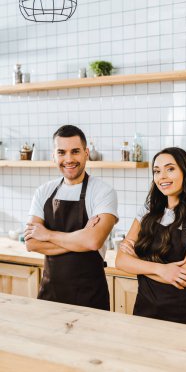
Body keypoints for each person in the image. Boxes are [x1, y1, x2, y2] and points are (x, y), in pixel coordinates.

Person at [24, 125, 118, 310]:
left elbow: (92, 241)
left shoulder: (103, 192)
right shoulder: (44, 192)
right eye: (62, 152)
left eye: (75, 151)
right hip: (50, 296)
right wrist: (80, 238)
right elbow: (31, 243)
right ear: (54, 156)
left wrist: (48, 235)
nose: (68, 159)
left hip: (90, 299)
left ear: (86, 153)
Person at [115, 147, 186, 325]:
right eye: (157, 171)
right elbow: (121, 261)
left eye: (170, 169)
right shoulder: (146, 212)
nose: (162, 177)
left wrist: (138, 262)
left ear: (185, 172)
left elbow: (185, 277)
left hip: (184, 317)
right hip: (144, 313)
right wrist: (163, 270)